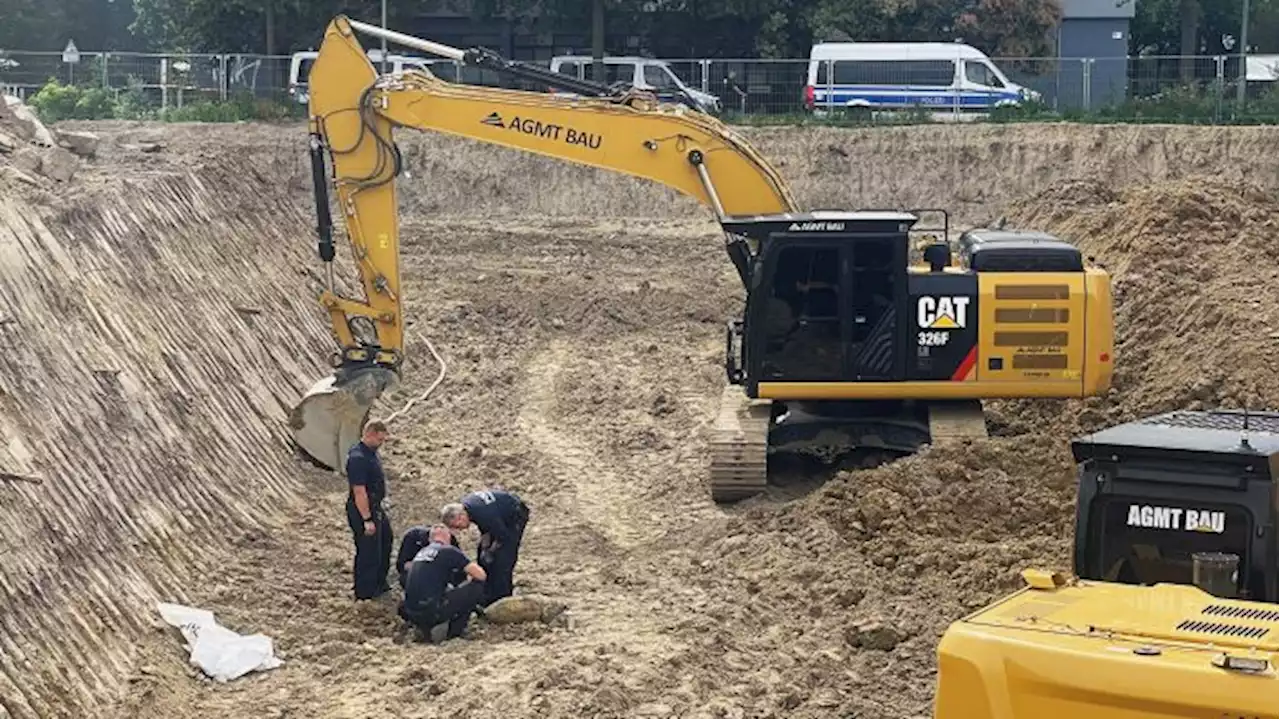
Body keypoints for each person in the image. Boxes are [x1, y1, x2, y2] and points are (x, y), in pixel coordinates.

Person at [441, 488, 530, 605]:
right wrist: (484, 550)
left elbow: (503, 537)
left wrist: (490, 551)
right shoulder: (468, 507)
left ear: (460, 517)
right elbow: (485, 531)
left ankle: (502, 597)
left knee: (503, 557)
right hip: (498, 515)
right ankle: (486, 590)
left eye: (457, 526)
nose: (460, 530)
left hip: (514, 515)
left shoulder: (482, 513)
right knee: (482, 555)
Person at [399, 525, 487, 642]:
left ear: (430, 540)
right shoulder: (449, 551)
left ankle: (423, 629)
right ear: (449, 538)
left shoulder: (420, 553)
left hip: (411, 612)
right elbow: (481, 575)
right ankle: (454, 634)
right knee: (476, 587)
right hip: (432, 612)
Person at [345, 419, 393, 601]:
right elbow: (359, 491)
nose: (381, 444)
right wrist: (367, 519)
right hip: (363, 509)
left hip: (376, 507)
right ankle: (365, 593)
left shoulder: (371, 453)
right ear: (370, 434)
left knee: (385, 541)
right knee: (368, 551)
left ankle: (379, 583)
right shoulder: (358, 458)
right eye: (379, 440)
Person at [395, 524, 460, 589]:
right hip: (418, 575)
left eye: (444, 543)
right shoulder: (413, 537)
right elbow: (401, 565)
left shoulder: (451, 542)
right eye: (438, 542)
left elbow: (461, 567)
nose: (440, 545)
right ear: (429, 539)